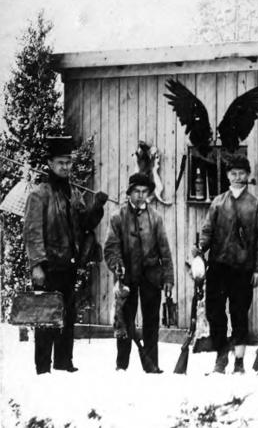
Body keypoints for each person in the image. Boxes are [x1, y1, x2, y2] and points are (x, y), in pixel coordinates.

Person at [23, 136, 108, 374]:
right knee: (46, 319)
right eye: (61, 162)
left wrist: (98, 205)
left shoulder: (73, 193)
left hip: (69, 267)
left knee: (67, 318)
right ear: (49, 163)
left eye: (69, 162)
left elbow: (86, 223)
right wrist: (36, 265)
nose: (66, 167)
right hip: (48, 268)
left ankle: (64, 363)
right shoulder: (39, 194)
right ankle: (43, 368)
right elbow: (32, 232)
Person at [193, 155, 258, 374]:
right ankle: (221, 355)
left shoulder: (255, 205)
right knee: (214, 312)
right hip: (218, 268)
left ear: (248, 175)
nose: (237, 177)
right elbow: (207, 232)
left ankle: (239, 361)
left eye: (241, 173)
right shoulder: (218, 202)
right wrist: (199, 251)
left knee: (239, 313)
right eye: (233, 173)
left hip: (243, 270)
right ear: (227, 175)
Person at [103, 172, 174, 372]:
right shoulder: (118, 217)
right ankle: (122, 365)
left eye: (144, 192)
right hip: (127, 277)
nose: (141, 195)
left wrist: (168, 277)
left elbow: (165, 250)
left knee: (151, 321)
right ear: (129, 193)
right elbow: (110, 247)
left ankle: (152, 365)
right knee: (124, 321)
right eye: (137, 191)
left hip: (152, 277)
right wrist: (117, 264)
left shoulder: (156, 218)